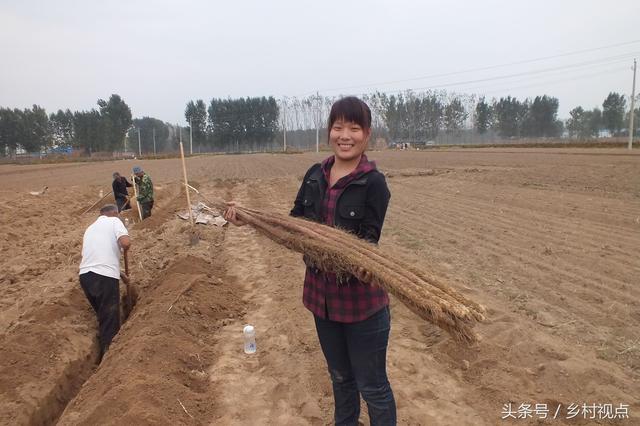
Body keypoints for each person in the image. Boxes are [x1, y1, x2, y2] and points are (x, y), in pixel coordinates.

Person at [225, 96, 396, 425]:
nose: (345, 135)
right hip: (322, 300)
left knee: (372, 386)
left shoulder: (373, 183)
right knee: (341, 379)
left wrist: (364, 262)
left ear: (367, 134)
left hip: (362, 305)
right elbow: (293, 224)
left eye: (354, 128)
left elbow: (369, 241)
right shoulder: (315, 175)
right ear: (329, 131)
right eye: (338, 127)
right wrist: (247, 218)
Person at [79, 204, 131, 361]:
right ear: (114, 213)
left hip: (86, 277)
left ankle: (104, 351)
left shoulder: (90, 228)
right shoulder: (115, 222)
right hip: (105, 277)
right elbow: (125, 243)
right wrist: (127, 244)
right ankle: (111, 358)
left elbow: (98, 256)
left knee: (104, 315)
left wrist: (121, 274)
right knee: (110, 319)